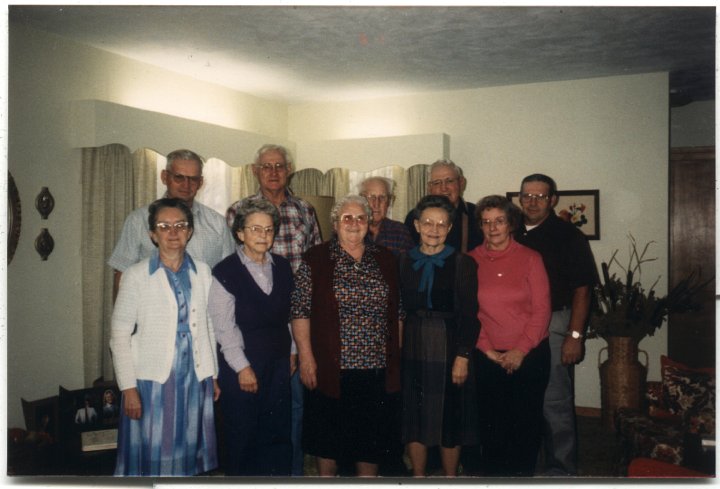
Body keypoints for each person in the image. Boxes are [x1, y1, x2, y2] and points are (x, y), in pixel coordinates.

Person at [226, 144, 322, 476]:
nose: (273, 172)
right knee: (250, 414)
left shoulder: (305, 211)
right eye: (266, 166)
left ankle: (291, 477)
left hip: (292, 325)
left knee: (290, 410)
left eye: (279, 166)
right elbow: (232, 271)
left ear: (289, 169)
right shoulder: (237, 209)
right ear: (255, 170)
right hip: (251, 326)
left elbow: (313, 268)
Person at [291, 195, 402, 477]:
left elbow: (398, 313)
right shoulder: (316, 258)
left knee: (370, 442)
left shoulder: (386, 260)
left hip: (375, 369)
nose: (354, 223)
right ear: (335, 224)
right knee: (327, 440)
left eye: (361, 218)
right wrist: (306, 357)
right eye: (347, 218)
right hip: (329, 368)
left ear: (369, 224)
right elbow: (300, 310)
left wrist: (395, 359)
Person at [110, 198, 220, 476]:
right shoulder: (135, 276)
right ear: (152, 234)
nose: (173, 232)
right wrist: (128, 388)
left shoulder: (203, 272)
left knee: (187, 450)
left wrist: (213, 374)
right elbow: (119, 335)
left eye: (180, 225)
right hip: (152, 382)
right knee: (155, 452)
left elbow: (208, 323)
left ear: (190, 231)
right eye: (164, 226)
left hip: (194, 377)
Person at [514, 174, 597, 476]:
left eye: (540, 196)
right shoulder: (511, 232)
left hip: (555, 322)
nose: (532, 202)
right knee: (522, 400)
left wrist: (575, 336)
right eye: (527, 196)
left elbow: (583, 290)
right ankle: (524, 467)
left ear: (553, 200)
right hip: (516, 325)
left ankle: (560, 472)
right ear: (519, 198)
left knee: (555, 402)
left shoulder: (568, 236)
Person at [209, 199, 294, 476]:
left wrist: (292, 352)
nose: (263, 235)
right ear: (240, 233)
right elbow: (224, 327)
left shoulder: (282, 267)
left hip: (279, 363)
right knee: (243, 438)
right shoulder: (224, 272)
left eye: (269, 230)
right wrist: (243, 368)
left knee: (277, 435)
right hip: (242, 365)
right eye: (255, 229)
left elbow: (290, 316)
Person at [468, 195, 551, 477]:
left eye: (499, 221)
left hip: (529, 355)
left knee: (525, 428)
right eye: (486, 222)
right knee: (491, 428)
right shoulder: (470, 261)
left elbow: (542, 310)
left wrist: (520, 351)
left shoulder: (531, 259)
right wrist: (488, 351)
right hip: (487, 356)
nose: (493, 228)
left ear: (511, 223)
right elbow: (469, 313)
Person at [399, 195, 480, 477]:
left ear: (449, 228)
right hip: (412, 342)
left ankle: (449, 479)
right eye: (428, 223)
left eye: (441, 224)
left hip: (449, 343)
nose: (434, 229)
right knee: (415, 415)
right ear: (417, 226)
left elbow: (470, 315)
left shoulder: (462, 263)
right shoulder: (403, 262)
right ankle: (419, 478)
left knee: (450, 417)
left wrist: (463, 355)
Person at [108, 149, 234, 299]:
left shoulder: (217, 223)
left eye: (192, 179)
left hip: (203, 315)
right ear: (164, 177)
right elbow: (122, 274)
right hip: (153, 315)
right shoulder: (139, 220)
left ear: (200, 182)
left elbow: (229, 275)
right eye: (179, 177)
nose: (186, 185)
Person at [404, 159, 483, 253]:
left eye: (449, 181)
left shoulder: (476, 215)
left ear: (461, 183)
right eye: (437, 183)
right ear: (429, 187)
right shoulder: (414, 216)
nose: (444, 188)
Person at [359, 176, 414, 256]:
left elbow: (406, 267)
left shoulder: (400, 231)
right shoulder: (352, 229)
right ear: (361, 200)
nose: (376, 204)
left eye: (382, 197)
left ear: (388, 202)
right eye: (371, 197)